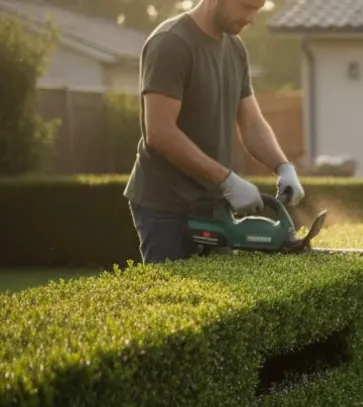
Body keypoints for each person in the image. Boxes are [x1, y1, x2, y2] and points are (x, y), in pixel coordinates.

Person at [123, 0, 305, 264]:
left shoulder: (235, 48)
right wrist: (227, 180)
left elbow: (252, 123)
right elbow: (160, 132)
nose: (252, 18)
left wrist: (284, 167)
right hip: (167, 207)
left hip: (214, 205)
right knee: (175, 299)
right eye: (246, 6)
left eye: (257, 8)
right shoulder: (171, 43)